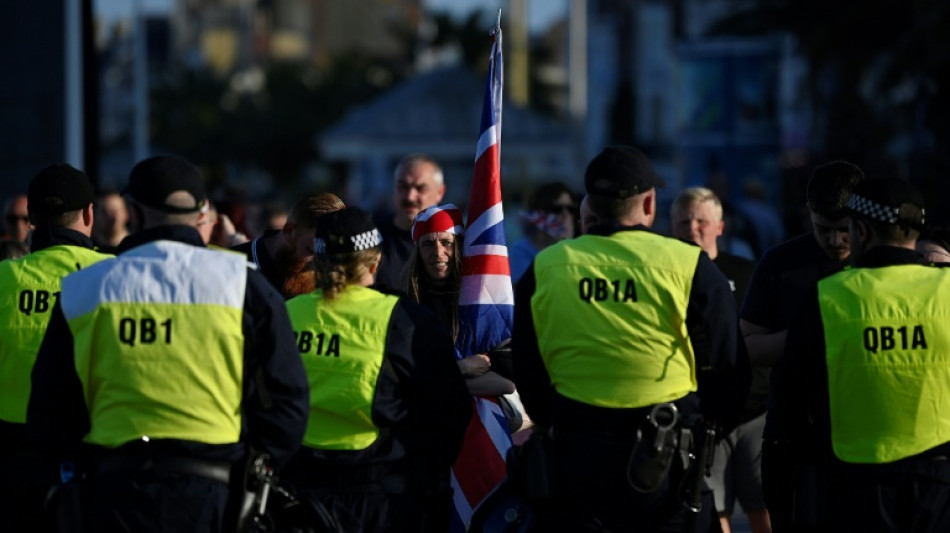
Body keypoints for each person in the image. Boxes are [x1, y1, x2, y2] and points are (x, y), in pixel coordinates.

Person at [26, 154, 310, 532]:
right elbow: (288, 400)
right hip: (214, 493)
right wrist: (253, 468)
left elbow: (50, 405)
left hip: (113, 492)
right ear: (200, 215)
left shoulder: (85, 287)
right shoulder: (242, 284)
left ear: (133, 212)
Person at [513, 145, 749, 532]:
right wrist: (708, 427)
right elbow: (729, 365)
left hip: (575, 460)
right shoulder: (688, 265)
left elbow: (527, 363)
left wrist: (554, 418)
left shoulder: (548, 266)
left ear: (588, 205)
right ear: (650, 203)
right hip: (667, 461)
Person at [283, 207, 471, 531]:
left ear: (318, 261)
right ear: (375, 261)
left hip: (295, 496)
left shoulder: (283, 314)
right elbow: (452, 412)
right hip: (381, 501)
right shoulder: (406, 321)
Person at [783, 177, 950, 531]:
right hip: (940, 477)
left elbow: (795, 390)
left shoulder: (830, 296)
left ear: (861, 230)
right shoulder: (946, 290)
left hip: (855, 481)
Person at [739, 160, 864, 532]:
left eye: (845, 231)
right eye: (824, 229)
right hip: (794, 439)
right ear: (808, 211)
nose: (836, 241)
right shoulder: (781, 263)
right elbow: (747, 346)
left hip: (863, 436)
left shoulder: (880, 266)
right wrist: (806, 338)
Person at [0, 164, 112, 531]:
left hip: (12, 454)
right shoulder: (119, 275)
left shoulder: (4, 278)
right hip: (93, 451)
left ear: (30, 218)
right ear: (89, 214)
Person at [671, 187, 767, 533]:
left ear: (720, 227)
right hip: (698, 411)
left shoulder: (749, 272)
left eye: (701, 221)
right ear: (672, 228)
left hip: (754, 410)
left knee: (763, 506)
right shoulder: (663, 277)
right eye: (684, 221)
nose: (693, 228)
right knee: (712, 508)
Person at [231, 192, 345, 299]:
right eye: (311, 251)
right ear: (289, 231)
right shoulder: (233, 265)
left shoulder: (327, 277)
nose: (319, 263)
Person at [374, 154, 446, 294]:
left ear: (440, 192)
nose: (410, 196)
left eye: (421, 188)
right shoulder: (372, 239)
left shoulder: (456, 245)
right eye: (403, 187)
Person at [509, 182, 577, 283]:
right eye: (557, 210)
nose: (566, 215)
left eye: (570, 209)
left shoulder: (579, 249)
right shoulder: (521, 251)